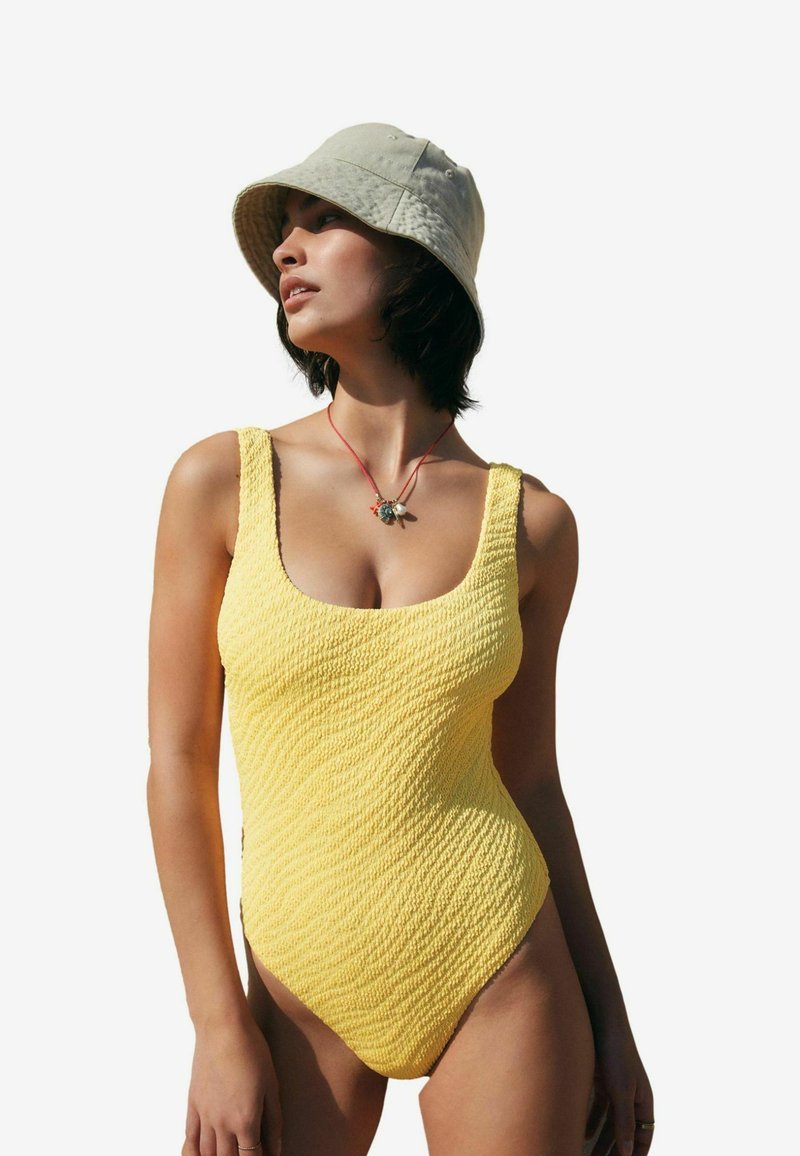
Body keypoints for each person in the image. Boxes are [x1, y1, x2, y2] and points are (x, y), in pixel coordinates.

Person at [147, 122, 655, 1156]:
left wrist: (611, 1018)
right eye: (285, 228)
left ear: (417, 258)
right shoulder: (221, 482)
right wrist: (215, 1026)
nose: (286, 248)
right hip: (296, 980)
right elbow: (176, 764)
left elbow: (531, 781)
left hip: (501, 957)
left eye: (324, 221)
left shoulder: (533, 525)